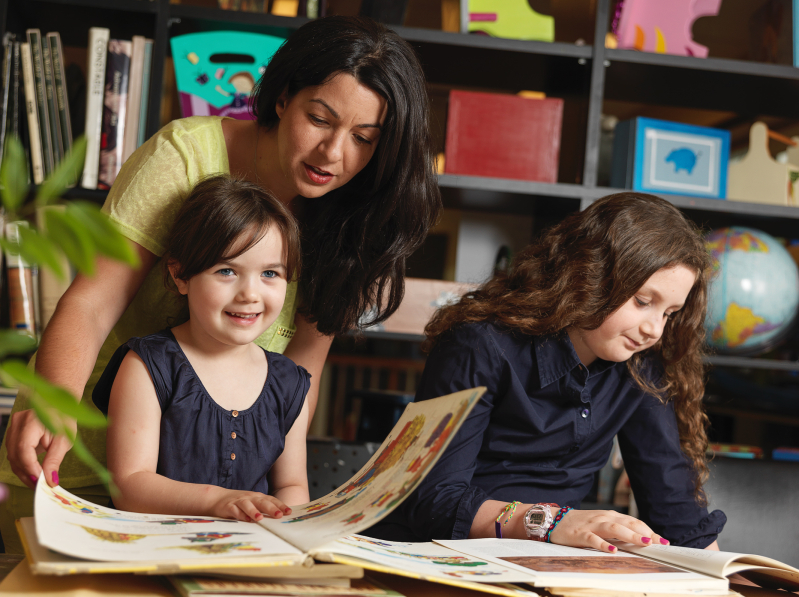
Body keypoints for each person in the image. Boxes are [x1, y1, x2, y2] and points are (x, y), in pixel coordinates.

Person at [0, 15, 440, 551]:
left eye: (364, 139)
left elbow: (298, 375)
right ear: (282, 98)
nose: (333, 154)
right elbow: (93, 301)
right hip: (84, 463)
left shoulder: (356, 220)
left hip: (226, 505)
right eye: (320, 119)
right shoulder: (185, 156)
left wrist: (290, 514)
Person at [366, 193, 726, 552]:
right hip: (434, 553)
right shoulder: (479, 345)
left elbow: (674, 508)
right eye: (643, 302)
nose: (655, 330)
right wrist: (552, 522)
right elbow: (433, 501)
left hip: (542, 559)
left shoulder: (641, 366)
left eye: (669, 313)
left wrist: (724, 579)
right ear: (591, 274)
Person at [94, 176, 309, 519]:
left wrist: (288, 519)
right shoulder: (148, 365)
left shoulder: (290, 382)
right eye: (226, 270)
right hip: (154, 552)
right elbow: (130, 484)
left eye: (270, 274)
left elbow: (292, 485)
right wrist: (216, 501)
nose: (250, 294)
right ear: (180, 276)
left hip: (248, 555)